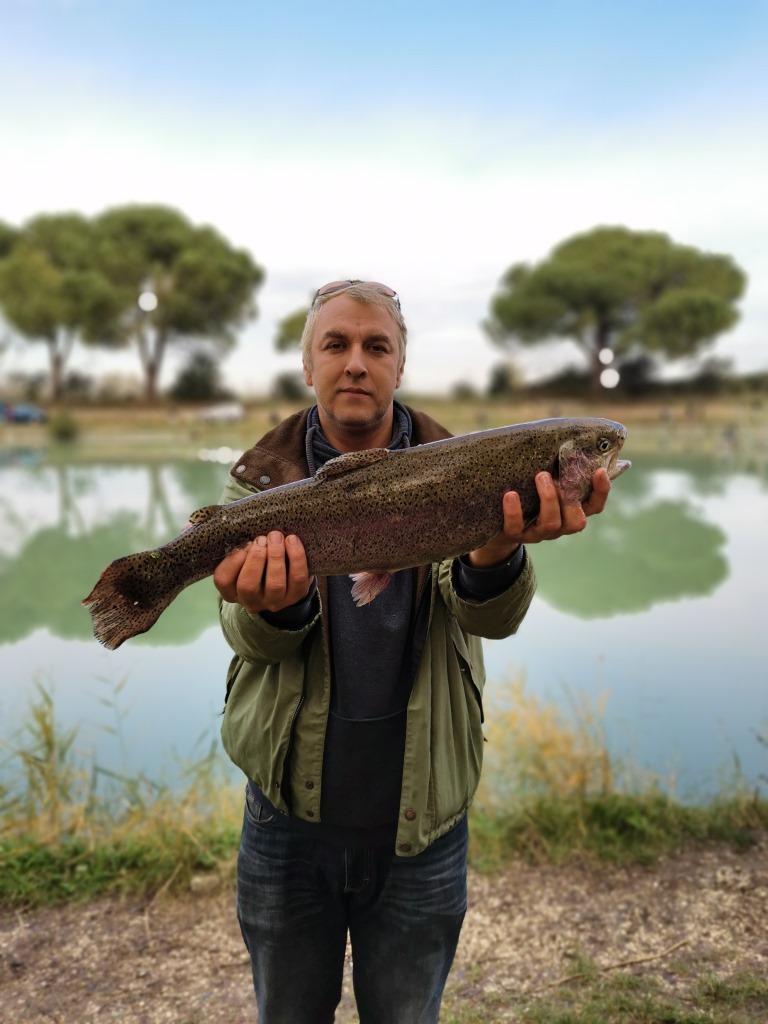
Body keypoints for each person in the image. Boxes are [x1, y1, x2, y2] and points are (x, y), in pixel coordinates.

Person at [213, 280, 612, 1024]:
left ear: (400, 365)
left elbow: (491, 619)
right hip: (285, 820)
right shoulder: (256, 481)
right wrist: (278, 603)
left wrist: (495, 551)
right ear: (308, 364)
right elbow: (244, 637)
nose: (355, 362)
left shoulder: (468, 466)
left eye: (376, 347)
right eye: (336, 344)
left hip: (422, 822)